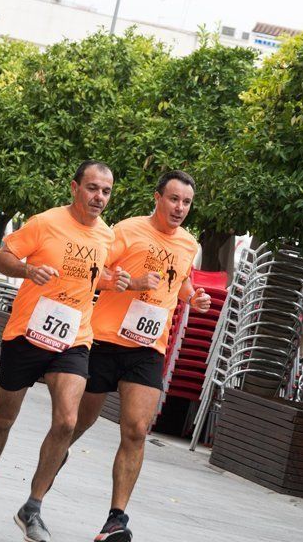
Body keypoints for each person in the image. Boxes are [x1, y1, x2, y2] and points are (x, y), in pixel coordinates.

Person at [0, 160, 128, 542]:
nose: (99, 198)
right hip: (27, 332)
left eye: (105, 191)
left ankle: (33, 506)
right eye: (92, 188)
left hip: (74, 338)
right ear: (75, 188)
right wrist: (27, 271)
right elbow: (2, 256)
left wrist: (116, 281)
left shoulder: (107, 236)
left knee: (67, 422)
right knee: (4, 417)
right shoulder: (45, 221)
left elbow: (97, 278)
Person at [71, 170, 210, 542]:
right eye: (174, 199)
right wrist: (128, 282)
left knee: (135, 431)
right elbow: (97, 271)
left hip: (148, 349)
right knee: (76, 424)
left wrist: (192, 297)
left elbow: (179, 281)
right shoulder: (127, 231)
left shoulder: (188, 244)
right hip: (104, 340)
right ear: (157, 198)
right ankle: (45, 476)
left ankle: (116, 519)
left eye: (186, 202)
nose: (180, 208)